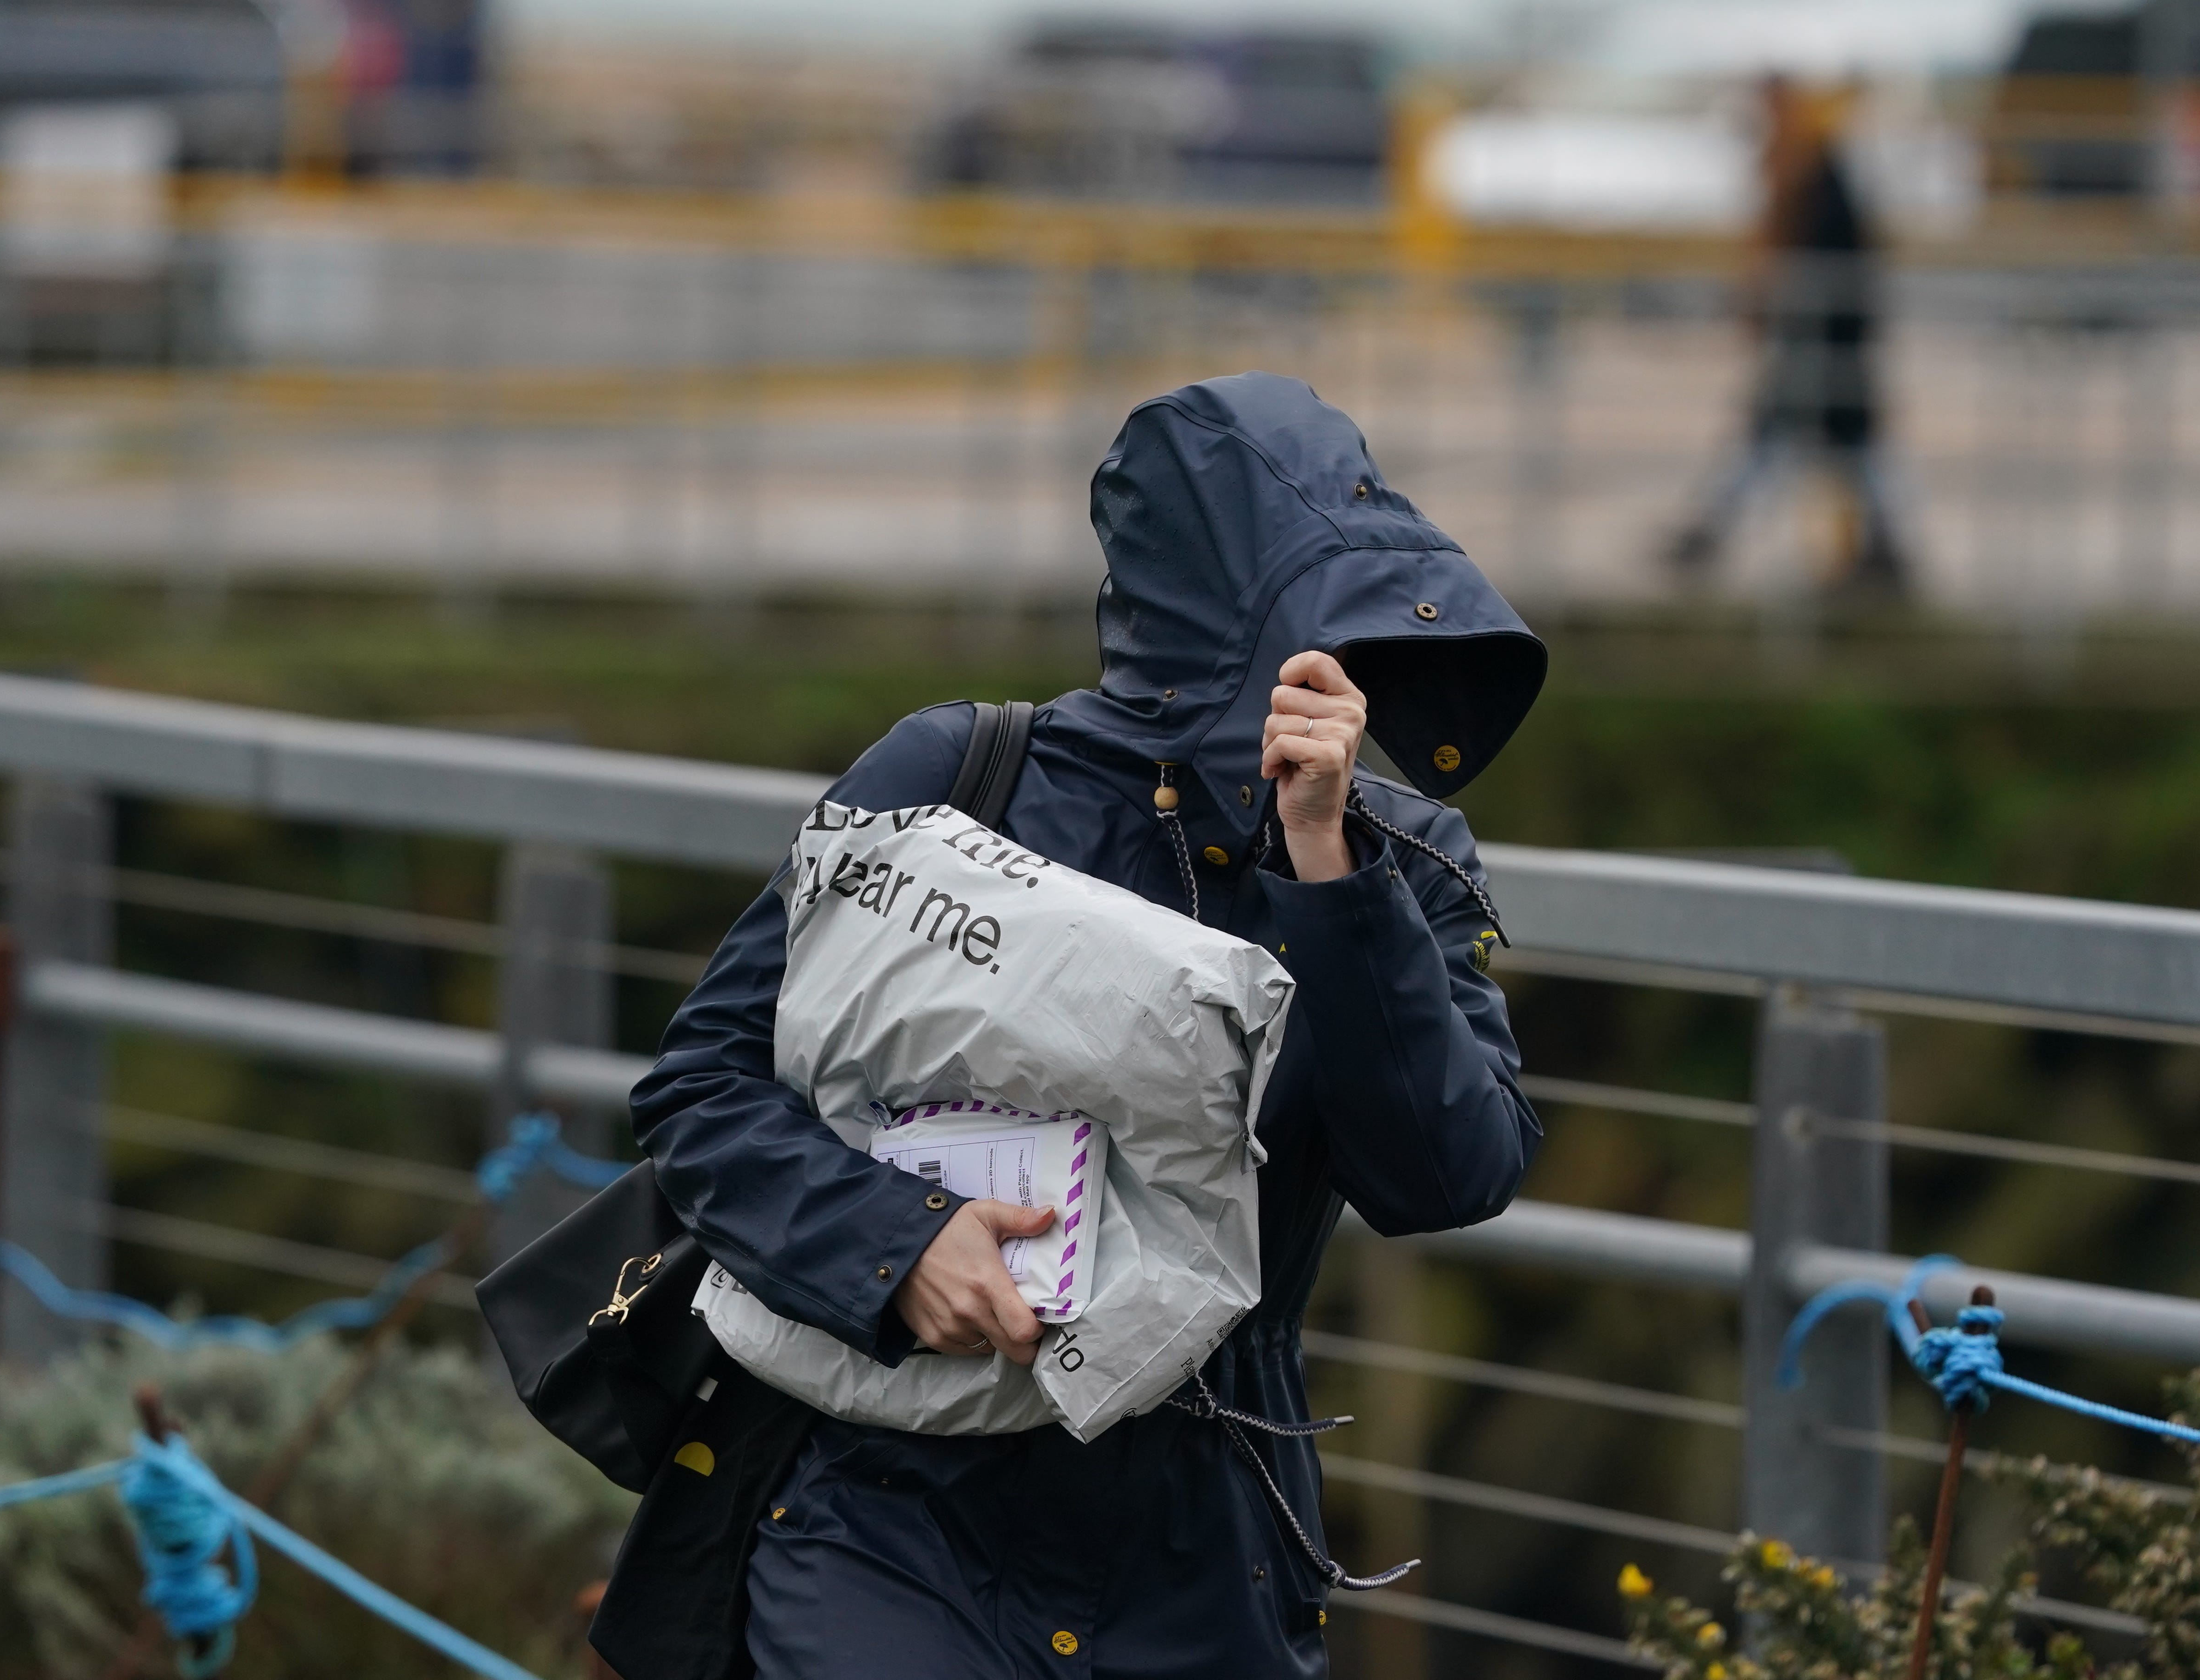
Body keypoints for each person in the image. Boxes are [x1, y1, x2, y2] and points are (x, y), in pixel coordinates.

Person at [629, 371, 1550, 1678]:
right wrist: (898, 1246)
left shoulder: (1401, 859)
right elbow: (702, 1088)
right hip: (887, 1500)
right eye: (1310, 608)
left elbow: (1447, 1175)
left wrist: (1330, 870)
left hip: (1205, 1531)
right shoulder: (956, 777)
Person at [1667, 76, 1909, 596]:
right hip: (1823, 339)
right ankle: (1886, 552)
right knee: (1834, 449)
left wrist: (1771, 304)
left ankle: (1707, 537)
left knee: (1790, 444)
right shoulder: (1819, 172)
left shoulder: (1807, 175)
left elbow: (1804, 262)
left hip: (1821, 339)